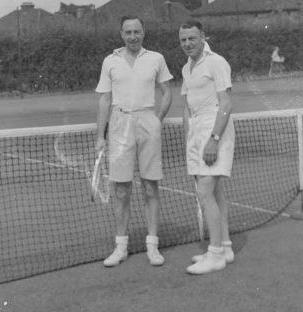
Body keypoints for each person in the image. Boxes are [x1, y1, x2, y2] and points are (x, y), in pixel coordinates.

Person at [95, 15, 173, 267]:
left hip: (147, 122)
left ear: (143, 33)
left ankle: (153, 246)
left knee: (151, 186)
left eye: (136, 32)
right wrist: (100, 136)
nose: (132, 36)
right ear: (121, 34)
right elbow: (105, 100)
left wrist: (157, 119)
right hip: (119, 126)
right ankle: (121, 248)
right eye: (128, 32)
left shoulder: (156, 59)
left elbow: (167, 92)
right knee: (121, 190)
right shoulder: (110, 61)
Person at [179, 19, 235, 275]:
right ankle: (224, 246)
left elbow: (226, 103)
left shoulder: (216, 62)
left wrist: (213, 138)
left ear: (203, 37)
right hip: (196, 130)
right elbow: (187, 107)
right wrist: (188, 139)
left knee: (204, 192)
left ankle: (214, 256)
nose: (187, 44)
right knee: (215, 193)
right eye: (183, 40)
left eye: (192, 38)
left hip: (215, 128)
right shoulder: (186, 68)